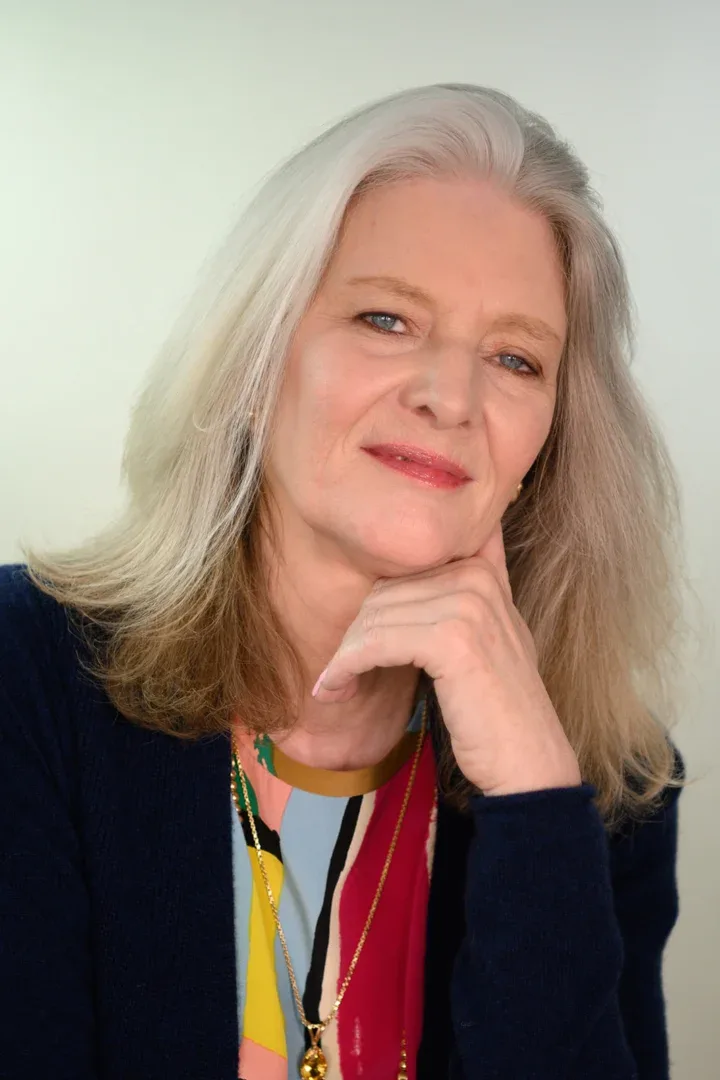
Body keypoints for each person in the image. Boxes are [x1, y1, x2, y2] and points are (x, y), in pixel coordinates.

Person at [0, 82, 689, 1080]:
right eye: (385, 319)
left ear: (549, 442)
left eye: (514, 358)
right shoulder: (25, 676)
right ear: (255, 360)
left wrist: (538, 798)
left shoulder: (602, 782)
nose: (449, 397)